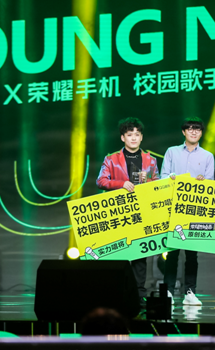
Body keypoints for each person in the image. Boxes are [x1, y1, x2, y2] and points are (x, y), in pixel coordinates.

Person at [96, 117, 160, 300]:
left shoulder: (150, 160)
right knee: (119, 253)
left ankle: (139, 293)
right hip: (119, 212)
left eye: (137, 134)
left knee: (140, 254)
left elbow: (156, 183)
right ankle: (116, 293)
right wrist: (121, 183)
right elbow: (101, 181)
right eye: (129, 134)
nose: (133, 138)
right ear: (122, 137)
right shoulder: (111, 159)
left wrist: (147, 183)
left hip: (141, 211)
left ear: (142, 137)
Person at [161, 117, 215, 306]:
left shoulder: (208, 156)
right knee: (172, 253)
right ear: (183, 132)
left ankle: (190, 292)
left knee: (192, 255)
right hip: (173, 208)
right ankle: (168, 291)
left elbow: (210, 183)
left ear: (201, 133)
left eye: (197, 129)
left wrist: (203, 182)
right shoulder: (172, 152)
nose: (193, 131)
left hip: (195, 210)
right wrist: (171, 178)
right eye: (190, 128)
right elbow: (163, 176)